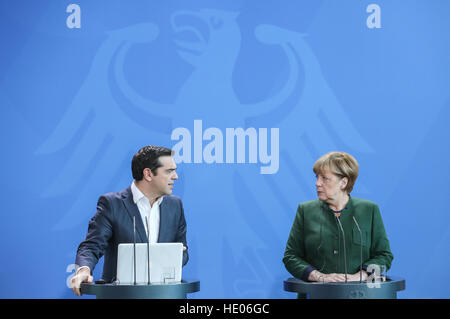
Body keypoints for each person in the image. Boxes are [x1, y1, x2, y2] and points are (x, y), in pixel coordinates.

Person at [71, 145, 189, 296]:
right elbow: (91, 246)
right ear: (148, 174)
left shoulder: (175, 205)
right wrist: (83, 270)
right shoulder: (112, 204)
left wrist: (174, 256)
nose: (175, 176)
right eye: (169, 171)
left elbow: (183, 252)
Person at [283, 151, 393, 286]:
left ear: (343, 182)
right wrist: (320, 277)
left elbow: (384, 255)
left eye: (324, 178)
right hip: (317, 294)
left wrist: (361, 275)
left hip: (360, 294)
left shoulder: (369, 210)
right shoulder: (305, 210)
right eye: (317, 177)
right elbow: (291, 257)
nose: (317, 183)